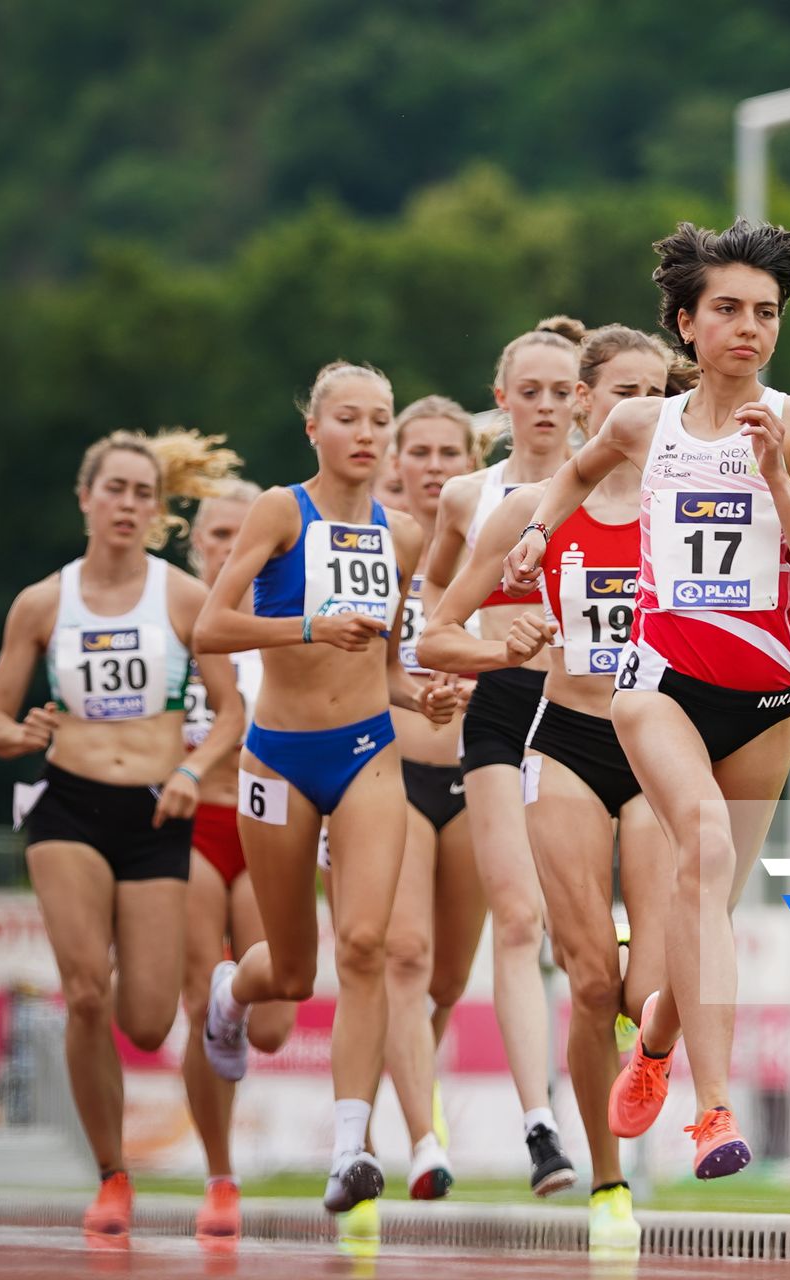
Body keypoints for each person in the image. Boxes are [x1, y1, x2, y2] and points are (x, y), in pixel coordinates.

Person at [505, 220, 790, 1181]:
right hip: (658, 684)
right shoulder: (642, 425)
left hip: (767, 700)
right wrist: (538, 532)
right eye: (730, 310)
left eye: (768, 313)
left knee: (706, 909)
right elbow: (570, 476)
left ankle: (655, 1040)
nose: (751, 328)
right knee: (698, 845)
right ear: (687, 326)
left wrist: (777, 476)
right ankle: (713, 1115)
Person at [421, 322, 675, 1249]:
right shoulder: (531, 507)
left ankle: (650, 1066)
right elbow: (433, 633)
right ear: (584, 404)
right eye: (622, 394)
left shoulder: (689, 505)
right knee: (591, 974)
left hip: (659, 742)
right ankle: (608, 1184)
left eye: (660, 394)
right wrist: (499, 647)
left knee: (649, 980)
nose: (642, 412)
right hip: (562, 739)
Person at [192, 361, 459, 1216]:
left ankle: (351, 1149)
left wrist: (432, 693)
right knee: (297, 973)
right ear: (315, 428)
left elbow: (386, 672)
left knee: (367, 947)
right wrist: (307, 624)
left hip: (368, 754)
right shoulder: (281, 510)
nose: (369, 434)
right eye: (349, 418)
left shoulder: (404, 534)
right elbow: (211, 624)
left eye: (379, 418)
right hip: (276, 758)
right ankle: (232, 991)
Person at [0, 427, 244, 1237]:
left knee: (148, 1020)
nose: (128, 505)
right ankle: (112, 1174)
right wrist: (16, 734)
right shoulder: (41, 604)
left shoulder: (183, 600)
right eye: (115, 489)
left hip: (158, 815)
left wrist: (193, 774)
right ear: (86, 498)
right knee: (86, 992)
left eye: (143, 494)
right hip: (68, 809)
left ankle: (136, 960)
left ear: (158, 511)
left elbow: (232, 711)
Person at [420, 319, 580, 1196]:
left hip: (593, 710)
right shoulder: (466, 499)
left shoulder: (609, 482)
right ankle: (540, 1127)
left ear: (584, 399)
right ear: (502, 400)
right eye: (532, 392)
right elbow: (432, 623)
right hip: (500, 711)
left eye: (563, 391)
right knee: (516, 923)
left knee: (578, 934)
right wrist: (467, 667)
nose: (548, 406)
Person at [177, 478, 299, 1240]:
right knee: (197, 1003)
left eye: (240, 533)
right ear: (195, 546)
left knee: (275, 1021)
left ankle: (234, 996)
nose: (229, 547)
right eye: (216, 536)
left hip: (271, 822)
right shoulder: (173, 615)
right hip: (190, 826)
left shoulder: (289, 616)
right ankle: (221, 1177)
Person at [376, 395, 488, 1199]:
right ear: (396, 460)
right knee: (404, 956)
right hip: (387, 772)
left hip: (477, 775)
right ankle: (421, 1139)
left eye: (452, 452)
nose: (436, 466)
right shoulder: (370, 545)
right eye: (420, 452)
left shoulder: (499, 532)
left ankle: (408, 1102)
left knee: (446, 981)